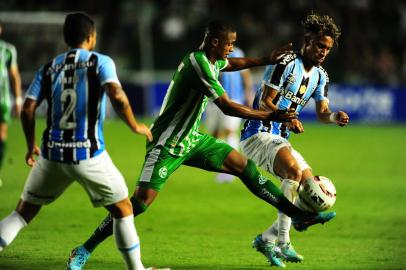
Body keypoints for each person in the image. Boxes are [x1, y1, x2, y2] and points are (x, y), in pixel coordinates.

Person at [67, 20, 336, 270]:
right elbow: (228, 107)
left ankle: (295, 215)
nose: (231, 49)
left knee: (246, 169)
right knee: (138, 204)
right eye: (229, 44)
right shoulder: (198, 64)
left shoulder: (212, 60)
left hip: (193, 139)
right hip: (166, 143)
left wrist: (265, 59)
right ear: (215, 42)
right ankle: (84, 249)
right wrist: (270, 115)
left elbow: (231, 64)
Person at [0, 13, 163, 270]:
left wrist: (31, 143)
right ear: (92, 37)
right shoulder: (101, 61)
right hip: (87, 154)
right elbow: (117, 96)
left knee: (21, 214)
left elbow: (28, 108)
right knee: (123, 208)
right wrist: (134, 125)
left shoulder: (49, 66)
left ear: (66, 38)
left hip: (51, 155)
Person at [240, 13, 349, 267]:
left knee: (311, 188)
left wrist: (335, 117)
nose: (323, 52)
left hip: (280, 138)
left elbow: (322, 113)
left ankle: (267, 239)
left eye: (328, 48)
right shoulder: (286, 62)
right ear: (307, 40)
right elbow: (266, 99)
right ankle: (284, 241)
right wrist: (286, 118)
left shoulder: (321, 76)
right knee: (293, 171)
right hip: (258, 133)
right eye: (320, 46)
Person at [205, 46, 254, 183]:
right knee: (214, 135)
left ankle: (232, 168)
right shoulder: (211, 53)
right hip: (213, 100)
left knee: (230, 131)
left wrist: (248, 94)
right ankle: (220, 166)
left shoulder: (238, 53)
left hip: (233, 99)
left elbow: (245, 75)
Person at [0, 22, 22, 187]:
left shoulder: (7, 50)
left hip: (3, 101)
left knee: (1, 137)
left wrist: (18, 99)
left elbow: (14, 75)